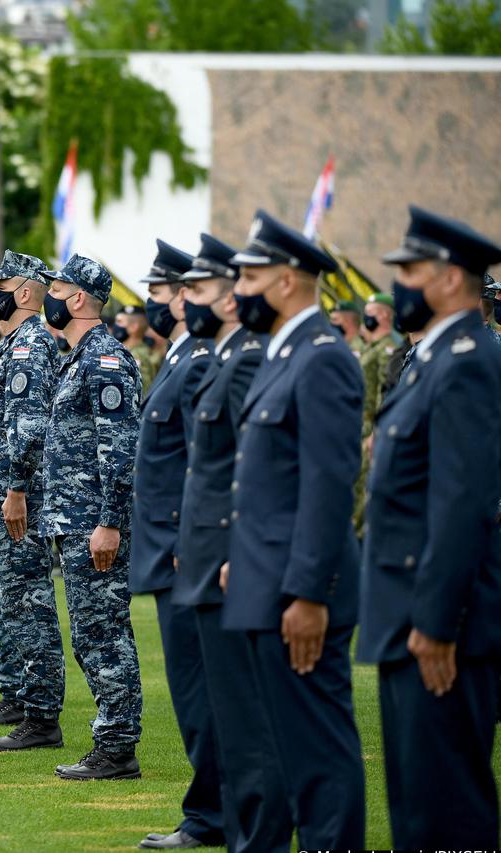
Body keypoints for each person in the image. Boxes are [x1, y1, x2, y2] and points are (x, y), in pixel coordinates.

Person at [359, 205, 501, 849]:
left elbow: (461, 504)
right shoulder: (436, 356)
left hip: (441, 621)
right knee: (417, 804)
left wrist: (437, 623)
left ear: (450, 279)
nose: (401, 286)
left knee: (451, 809)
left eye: (411, 271)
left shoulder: (468, 361)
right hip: (408, 613)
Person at [223, 209, 366, 849]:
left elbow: (327, 486)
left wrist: (308, 592)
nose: (239, 292)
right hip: (265, 581)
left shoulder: (323, 359)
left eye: (250, 279)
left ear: (286, 282)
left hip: (299, 593)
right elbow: (266, 482)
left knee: (318, 755)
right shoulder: (286, 354)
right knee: (279, 745)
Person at [170, 235, 289, 853]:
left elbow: (250, 468)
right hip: (208, 555)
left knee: (247, 718)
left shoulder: (245, 358)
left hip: (228, 559)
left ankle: (256, 833)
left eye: (197, 289)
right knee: (228, 712)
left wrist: (232, 550)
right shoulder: (223, 355)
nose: (184, 300)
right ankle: (241, 830)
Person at [129, 239, 224, 850]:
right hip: (169, 546)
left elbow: (202, 466)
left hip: (182, 549)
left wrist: (194, 542)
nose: (153, 305)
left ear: (187, 298)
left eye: (160, 294)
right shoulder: (180, 356)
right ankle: (215, 810)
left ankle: (212, 816)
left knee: (200, 693)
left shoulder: (198, 361)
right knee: (195, 693)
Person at [35, 254, 145, 782]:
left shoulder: (105, 360)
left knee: (105, 634)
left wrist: (110, 521)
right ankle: (111, 740)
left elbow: (119, 450)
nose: (46, 297)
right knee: (89, 635)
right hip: (73, 520)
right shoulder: (76, 357)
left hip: (93, 524)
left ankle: (118, 748)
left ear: (77, 298)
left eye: (55, 288)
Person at [0, 249, 64, 751]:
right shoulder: (13, 344)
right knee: (5, 601)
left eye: (0, 288)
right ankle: (23, 696)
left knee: (28, 603)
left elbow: (29, 429)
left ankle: (43, 716)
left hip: (15, 496)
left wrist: (17, 490)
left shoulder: (30, 347)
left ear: (25, 291)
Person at [353, 292, 399, 538]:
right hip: (361, 429)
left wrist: (376, 430)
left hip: (371, 431)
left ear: (383, 315)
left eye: (369, 312)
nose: (365, 318)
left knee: (363, 495)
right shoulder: (373, 347)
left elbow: (386, 391)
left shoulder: (387, 349)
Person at [113, 304, 158, 391]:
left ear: (134, 327)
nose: (116, 325)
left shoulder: (137, 355)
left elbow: (143, 391)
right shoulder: (124, 351)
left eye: (119, 321)